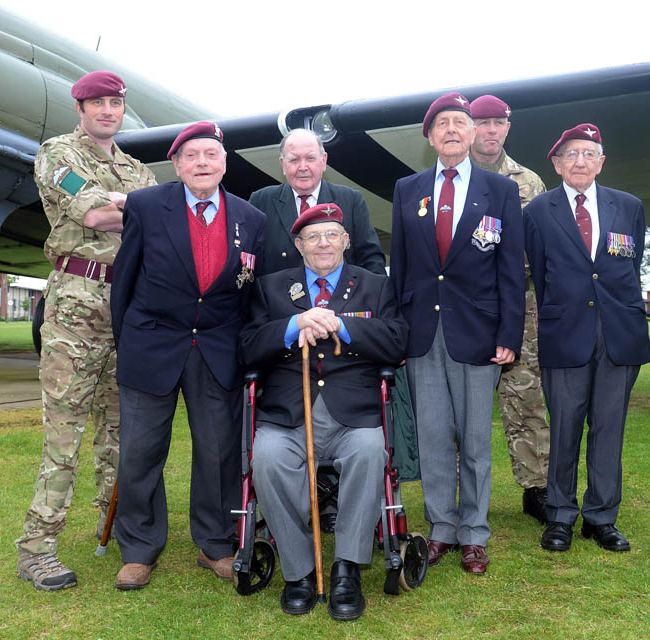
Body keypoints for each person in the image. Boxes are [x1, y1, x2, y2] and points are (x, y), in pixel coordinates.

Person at [109, 122, 266, 589]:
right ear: (176, 165)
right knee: (140, 451)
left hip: (217, 350)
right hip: (151, 344)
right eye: (192, 156)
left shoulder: (250, 219)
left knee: (219, 452)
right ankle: (138, 549)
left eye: (211, 155)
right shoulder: (145, 205)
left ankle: (216, 544)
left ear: (224, 164)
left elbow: (248, 294)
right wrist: (130, 341)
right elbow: (126, 280)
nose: (202, 163)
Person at [15, 70, 156, 591]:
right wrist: (135, 210)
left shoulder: (136, 168)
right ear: (80, 110)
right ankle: (37, 548)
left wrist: (133, 209)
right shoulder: (58, 153)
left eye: (114, 104)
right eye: (95, 104)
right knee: (64, 436)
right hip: (76, 305)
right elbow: (95, 215)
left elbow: (154, 219)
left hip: (127, 307)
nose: (106, 112)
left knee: (120, 433)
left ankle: (114, 525)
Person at [240, 203, 407, 621]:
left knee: (370, 453)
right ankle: (299, 571)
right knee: (269, 459)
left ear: (347, 241)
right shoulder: (271, 287)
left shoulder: (375, 285)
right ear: (298, 246)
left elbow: (396, 342)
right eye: (312, 237)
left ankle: (347, 568)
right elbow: (247, 347)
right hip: (288, 411)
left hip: (354, 412)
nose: (323, 243)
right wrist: (295, 325)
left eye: (332, 234)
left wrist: (340, 325)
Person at [389, 92, 525, 574]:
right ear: (430, 137)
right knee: (432, 436)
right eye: (441, 123)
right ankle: (443, 528)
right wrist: (398, 333)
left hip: (478, 334)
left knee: (473, 439)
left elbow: (511, 270)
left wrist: (510, 333)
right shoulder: (408, 189)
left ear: (473, 134)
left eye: (460, 123)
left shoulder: (501, 191)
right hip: (423, 333)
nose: (451, 129)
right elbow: (399, 268)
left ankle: (474, 533)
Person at [525, 123, 649, 554]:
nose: (580, 161)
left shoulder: (629, 206)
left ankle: (601, 517)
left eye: (589, 153)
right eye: (571, 154)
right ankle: (559, 516)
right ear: (557, 163)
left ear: (601, 161)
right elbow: (540, 276)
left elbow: (630, 267)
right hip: (565, 334)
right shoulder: (538, 211)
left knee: (609, 429)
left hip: (619, 334)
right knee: (564, 428)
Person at [469, 94, 550, 524]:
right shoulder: (452, 176)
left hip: (520, 303)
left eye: (498, 123)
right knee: (462, 403)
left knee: (525, 398)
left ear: (508, 128)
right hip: (466, 305)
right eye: (482, 123)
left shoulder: (529, 181)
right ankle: (463, 495)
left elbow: (539, 247)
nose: (491, 131)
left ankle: (536, 487)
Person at [248, 128, 385, 275]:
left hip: (341, 296)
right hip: (278, 297)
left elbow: (371, 258)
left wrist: (372, 296)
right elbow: (248, 262)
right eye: (294, 160)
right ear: (283, 164)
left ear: (323, 161)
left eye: (310, 158)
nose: (303, 167)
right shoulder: (261, 202)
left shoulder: (351, 200)